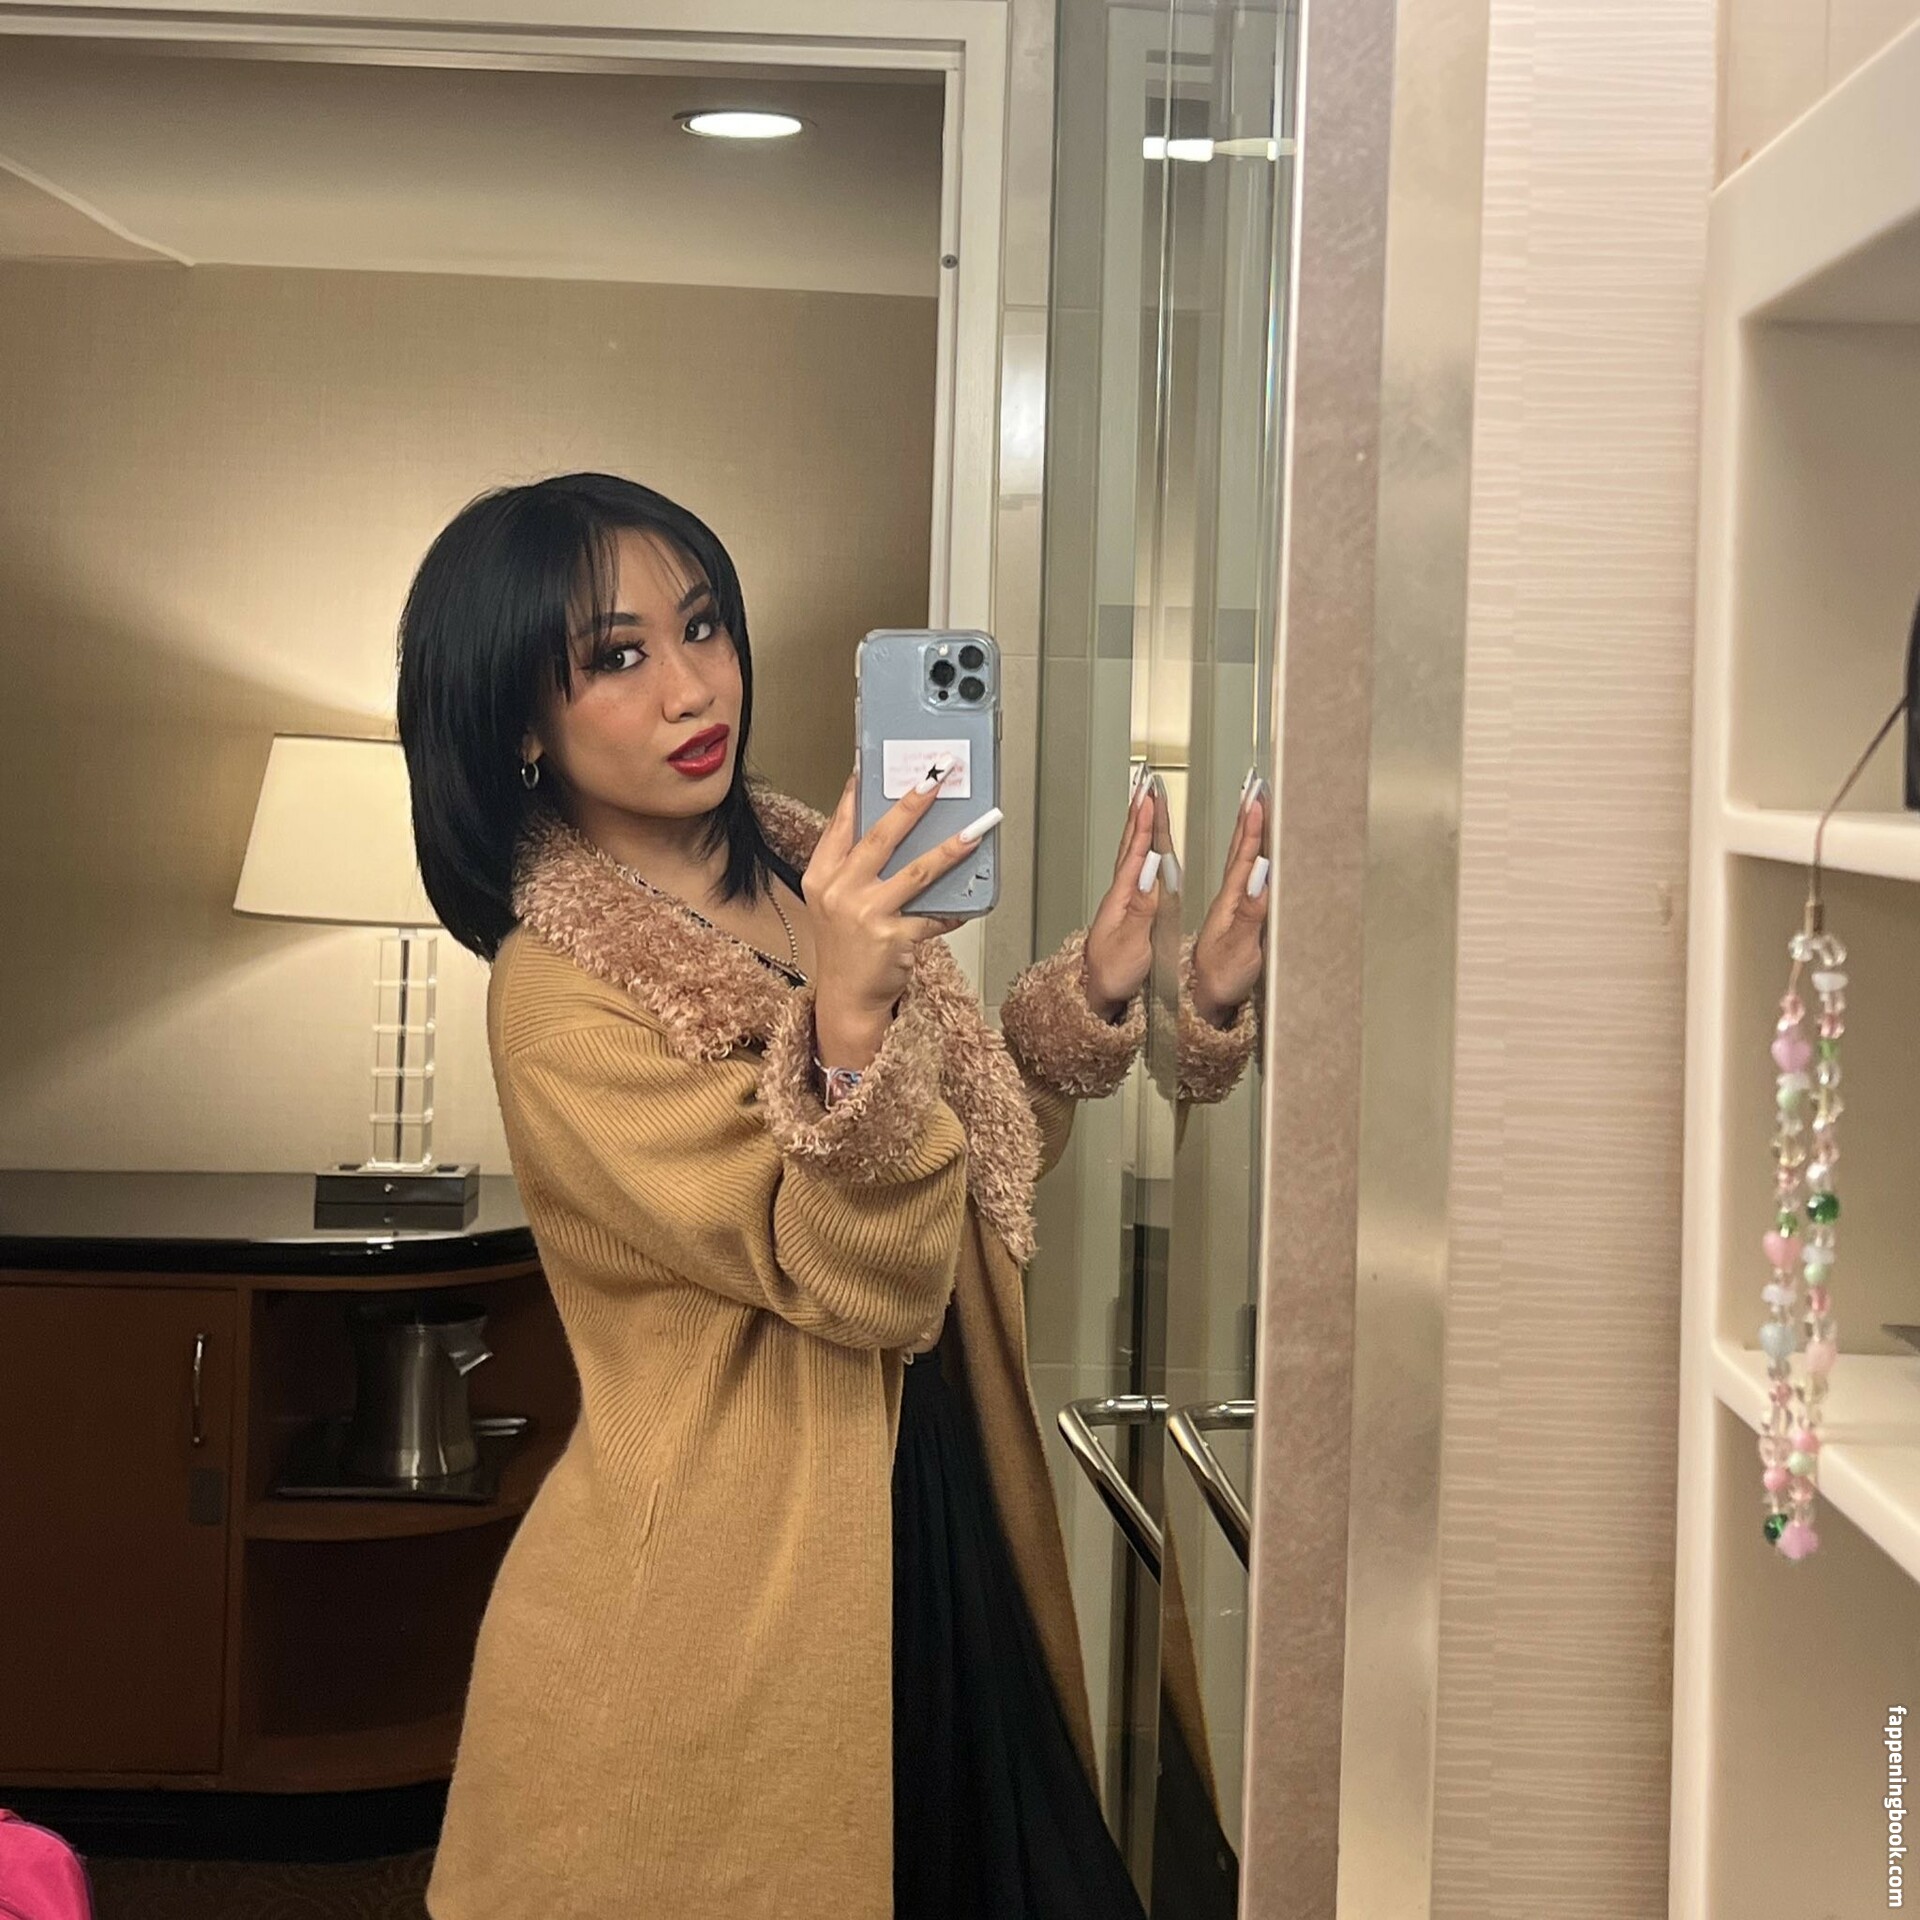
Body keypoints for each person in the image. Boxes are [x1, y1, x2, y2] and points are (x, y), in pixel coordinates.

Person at [395, 472, 1265, 1919]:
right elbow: (846, 1273)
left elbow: (959, 1173)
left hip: (946, 1503)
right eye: (617, 657)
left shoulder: (818, 876)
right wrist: (852, 1028)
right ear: (522, 727)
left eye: (703, 627)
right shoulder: (561, 1000)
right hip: (743, 1584)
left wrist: (1122, 987)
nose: (691, 687)